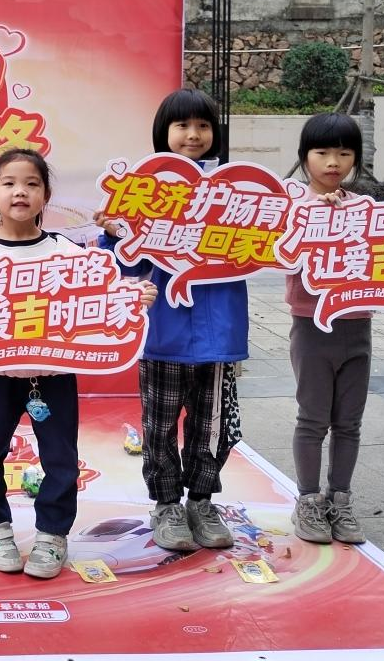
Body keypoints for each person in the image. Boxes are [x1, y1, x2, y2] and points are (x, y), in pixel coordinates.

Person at [0, 148, 155, 579]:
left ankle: (52, 533)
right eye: (8, 183)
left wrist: (132, 298)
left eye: (31, 183)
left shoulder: (67, 251)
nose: (20, 192)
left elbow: (100, 298)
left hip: (54, 374)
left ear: (46, 194)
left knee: (60, 458)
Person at [97, 88, 246, 552]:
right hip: (163, 328)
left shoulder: (238, 191)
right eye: (182, 125)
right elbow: (127, 266)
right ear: (163, 132)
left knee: (211, 426)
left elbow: (266, 246)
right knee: (159, 425)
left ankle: (201, 501)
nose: (193, 134)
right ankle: (165, 504)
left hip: (220, 333)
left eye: (202, 125)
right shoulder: (143, 189)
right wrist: (113, 234)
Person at [286, 112, 370, 545]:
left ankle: (341, 500)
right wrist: (313, 218)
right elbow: (279, 254)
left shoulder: (366, 209)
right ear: (305, 157)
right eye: (322, 152)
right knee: (313, 419)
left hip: (358, 325)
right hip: (311, 326)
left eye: (344, 153)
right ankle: (308, 500)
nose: (333, 162)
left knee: (349, 422)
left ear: (356, 158)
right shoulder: (291, 207)